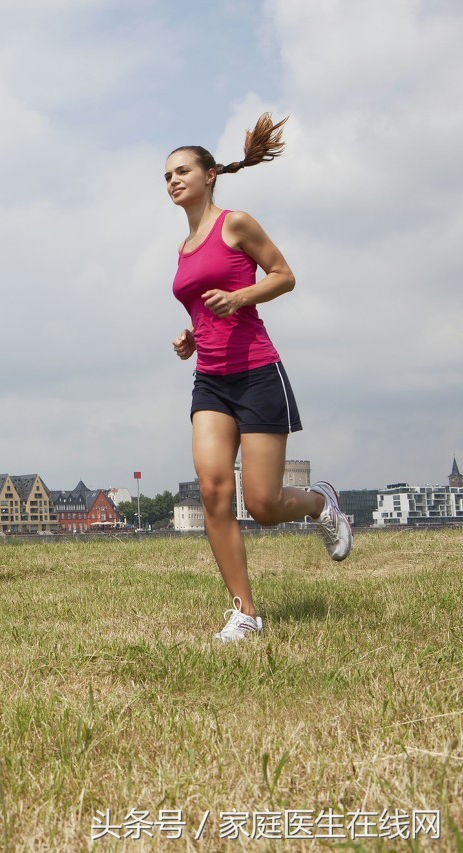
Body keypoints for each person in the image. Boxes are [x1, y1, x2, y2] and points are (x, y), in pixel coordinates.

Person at [166, 114, 352, 643]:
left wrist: (240, 297)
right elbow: (207, 311)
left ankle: (321, 502)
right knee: (213, 490)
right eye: (166, 176)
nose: (173, 181)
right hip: (210, 380)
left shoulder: (236, 223)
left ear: (209, 176)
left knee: (264, 505)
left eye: (182, 171)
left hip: (256, 373)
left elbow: (283, 275)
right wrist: (191, 338)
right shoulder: (182, 249)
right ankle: (244, 611)